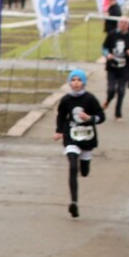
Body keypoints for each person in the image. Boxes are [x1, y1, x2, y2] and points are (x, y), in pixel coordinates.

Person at [54, 69, 105, 218]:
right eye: (73, 80)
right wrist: (59, 131)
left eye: (79, 80)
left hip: (87, 138)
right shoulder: (66, 100)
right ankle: (74, 202)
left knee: (84, 171)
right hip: (71, 137)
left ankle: (85, 165)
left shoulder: (90, 99)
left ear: (83, 83)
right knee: (72, 167)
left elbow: (102, 117)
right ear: (70, 82)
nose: (76, 83)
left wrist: (89, 118)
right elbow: (61, 116)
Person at [101, 16, 129, 120]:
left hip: (124, 69)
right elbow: (104, 47)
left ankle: (118, 112)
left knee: (121, 91)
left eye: (125, 23)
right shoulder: (112, 35)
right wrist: (107, 55)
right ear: (118, 24)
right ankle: (108, 100)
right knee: (111, 89)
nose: (123, 24)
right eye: (121, 22)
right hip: (112, 67)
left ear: (128, 25)